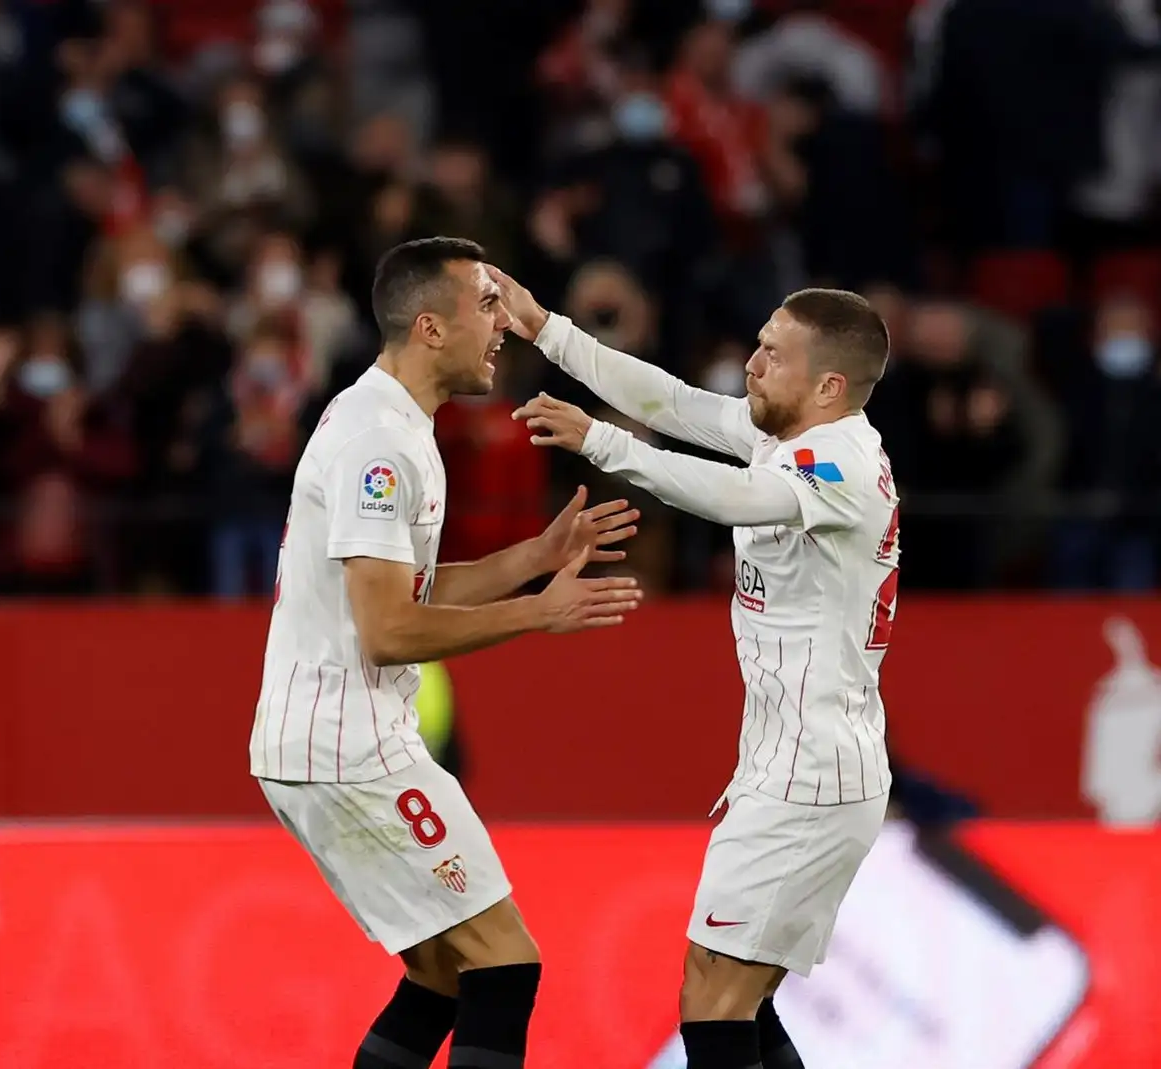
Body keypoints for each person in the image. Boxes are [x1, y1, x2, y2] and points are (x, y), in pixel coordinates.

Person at [249, 237, 643, 1069]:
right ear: (431, 326)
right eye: (487, 306)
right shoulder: (379, 446)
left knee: (441, 972)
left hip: (324, 740)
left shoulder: (385, 419)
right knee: (503, 962)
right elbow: (391, 630)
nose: (503, 326)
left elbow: (411, 589)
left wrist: (532, 558)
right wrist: (538, 613)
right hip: (350, 746)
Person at [506, 276, 896, 1069]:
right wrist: (548, 330)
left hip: (811, 774)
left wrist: (601, 442)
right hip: (793, 763)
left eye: (772, 355)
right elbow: (675, 402)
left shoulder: (841, 465)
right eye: (758, 343)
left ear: (829, 384)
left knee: (713, 998)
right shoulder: (790, 436)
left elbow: (732, 498)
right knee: (734, 996)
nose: (751, 363)